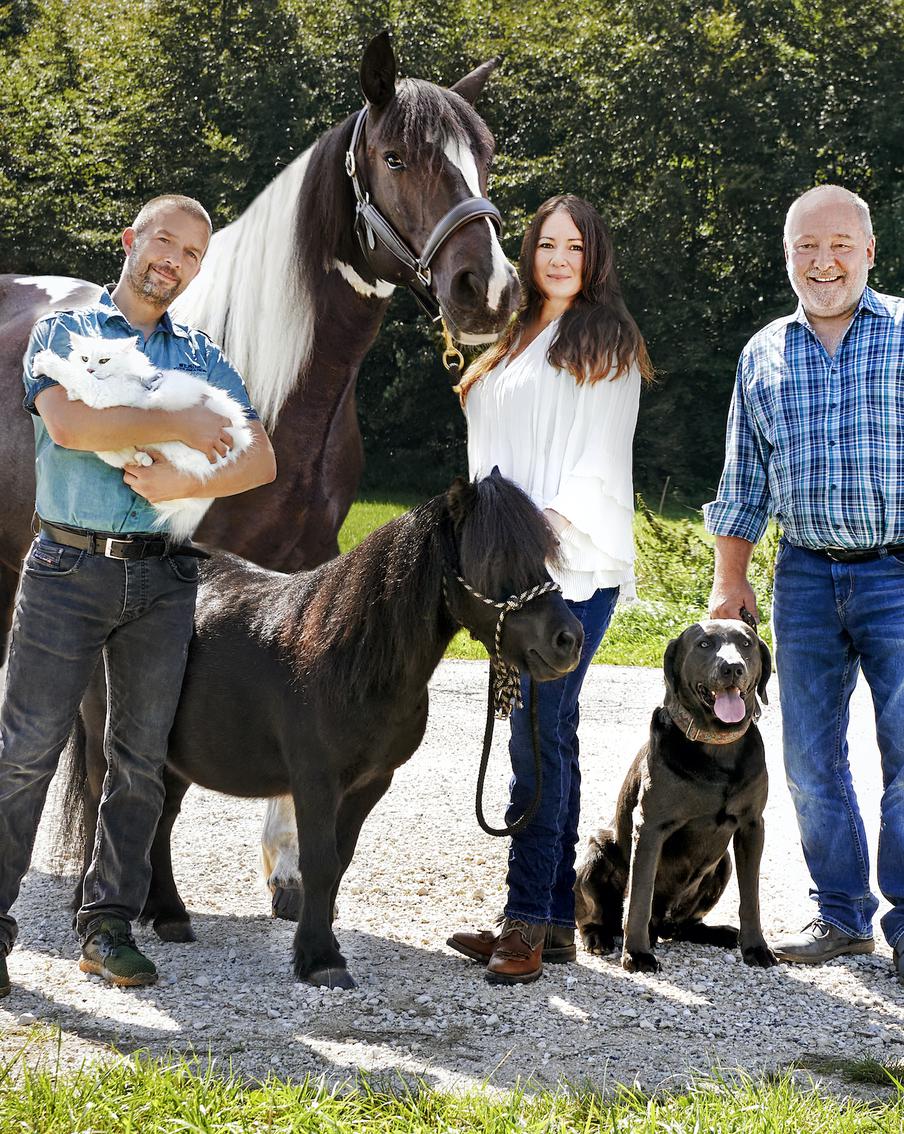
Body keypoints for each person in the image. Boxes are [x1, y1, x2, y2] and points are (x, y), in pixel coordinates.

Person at [0, 194, 277, 996]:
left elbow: (258, 459)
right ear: (132, 240)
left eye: (192, 253)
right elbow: (71, 427)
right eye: (164, 241)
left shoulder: (202, 350)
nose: (173, 261)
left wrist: (190, 474)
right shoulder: (67, 332)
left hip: (164, 577)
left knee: (138, 762)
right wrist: (181, 417)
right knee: (25, 754)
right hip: (66, 569)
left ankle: (107, 927)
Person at [447, 194, 652, 984]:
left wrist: (531, 552)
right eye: (547, 246)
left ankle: (527, 920)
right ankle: (553, 919)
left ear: (595, 256)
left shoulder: (605, 340)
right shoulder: (512, 336)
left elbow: (595, 462)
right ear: (528, 255)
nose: (560, 258)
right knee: (543, 731)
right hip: (509, 571)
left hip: (567, 569)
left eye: (575, 246)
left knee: (537, 735)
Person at [704, 184, 904, 985]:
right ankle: (843, 915)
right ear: (788, 256)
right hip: (807, 577)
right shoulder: (763, 353)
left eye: (839, 246)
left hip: (899, 571)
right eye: (806, 249)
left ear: (869, 251)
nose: (823, 263)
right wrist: (729, 579)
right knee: (809, 759)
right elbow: (742, 483)